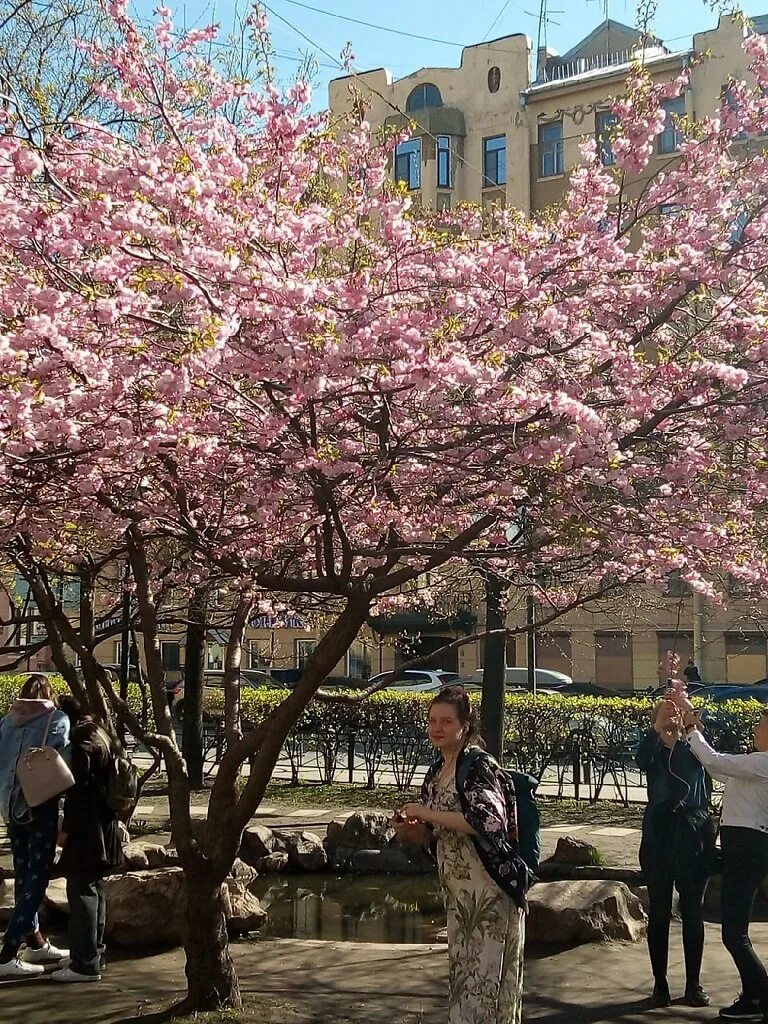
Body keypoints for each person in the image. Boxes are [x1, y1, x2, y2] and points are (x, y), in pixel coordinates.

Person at [393, 686, 527, 1024]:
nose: (437, 728)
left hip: (490, 892)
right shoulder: (436, 772)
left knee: (486, 984)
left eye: (446, 721)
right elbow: (436, 835)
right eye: (432, 721)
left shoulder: (478, 765)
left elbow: (488, 821)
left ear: (464, 726)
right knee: (465, 981)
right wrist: (412, 830)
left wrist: (426, 813)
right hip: (459, 896)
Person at [672, 694, 768, 1021]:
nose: (755, 730)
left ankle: (760, 996)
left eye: (761, 726)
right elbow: (722, 769)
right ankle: (756, 995)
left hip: (747, 850)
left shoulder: (763, 763)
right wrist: (695, 730)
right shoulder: (755, 764)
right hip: (744, 849)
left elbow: (716, 762)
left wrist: (690, 730)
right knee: (735, 932)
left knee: (734, 933)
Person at [636, 693, 714, 1008]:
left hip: (694, 836)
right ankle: (660, 983)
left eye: (678, 711)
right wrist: (657, 730)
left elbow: (713, 762)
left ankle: (694, 983)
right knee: (659, 912)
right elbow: (641, 760)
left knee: (693, 912)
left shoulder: (694, 745)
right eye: (667, 711)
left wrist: (693, 726)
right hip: (659, 838)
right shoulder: (653, 748)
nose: (673, 716)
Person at [0, 674, 70, 978]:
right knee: (37, 879)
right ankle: (6, 953)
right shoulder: (56, 719)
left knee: (23, 873)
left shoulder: (6, 722)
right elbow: (63, 756)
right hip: (39, 805)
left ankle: (35, 942)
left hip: (10, 808)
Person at [51, 698, 122, 983]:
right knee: (95, 889)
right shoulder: (100, 731)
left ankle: (84, 963)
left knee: (81, 892)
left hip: (87, 828)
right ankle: (94, 954)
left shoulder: (82, 739)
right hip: (104, 824)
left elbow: (78, 789)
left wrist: (65, 829)